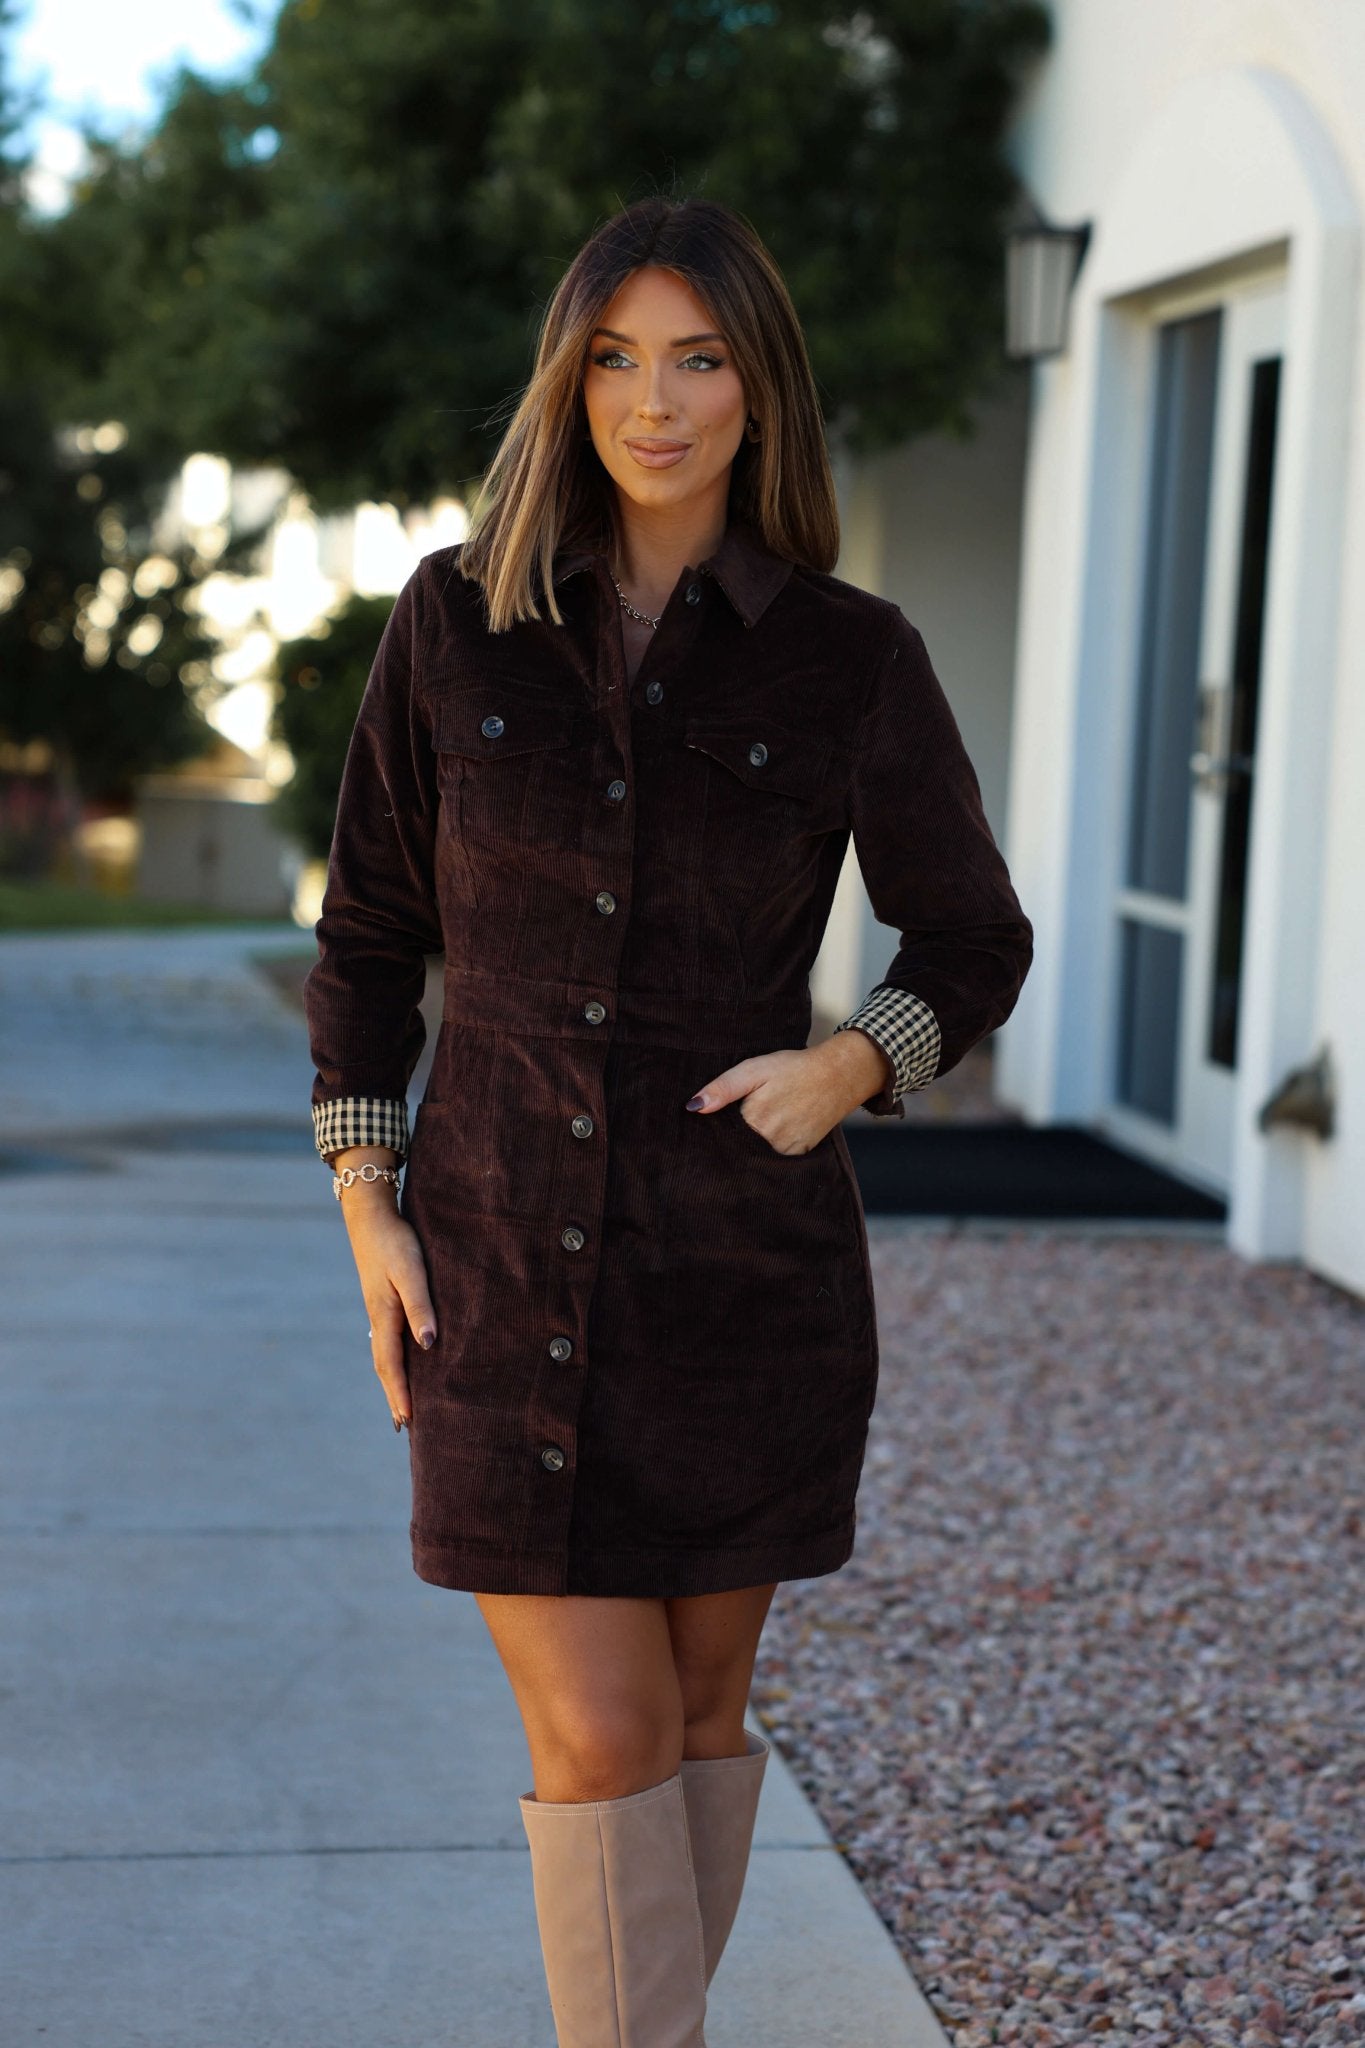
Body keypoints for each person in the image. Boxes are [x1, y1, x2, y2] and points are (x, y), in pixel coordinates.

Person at [303, 193, 1033, 2046]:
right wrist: (367, 1201)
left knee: (699, 1729)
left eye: (697, 358)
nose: (655, 400)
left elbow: (972, 935)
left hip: (741, 1276)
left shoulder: (848, 657)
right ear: (567, 383)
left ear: (757, 390)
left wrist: (851, 1060)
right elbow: (373, 935)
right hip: (490, 1265)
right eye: (616, 357)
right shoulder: (456, 625)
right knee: (605, 1727)